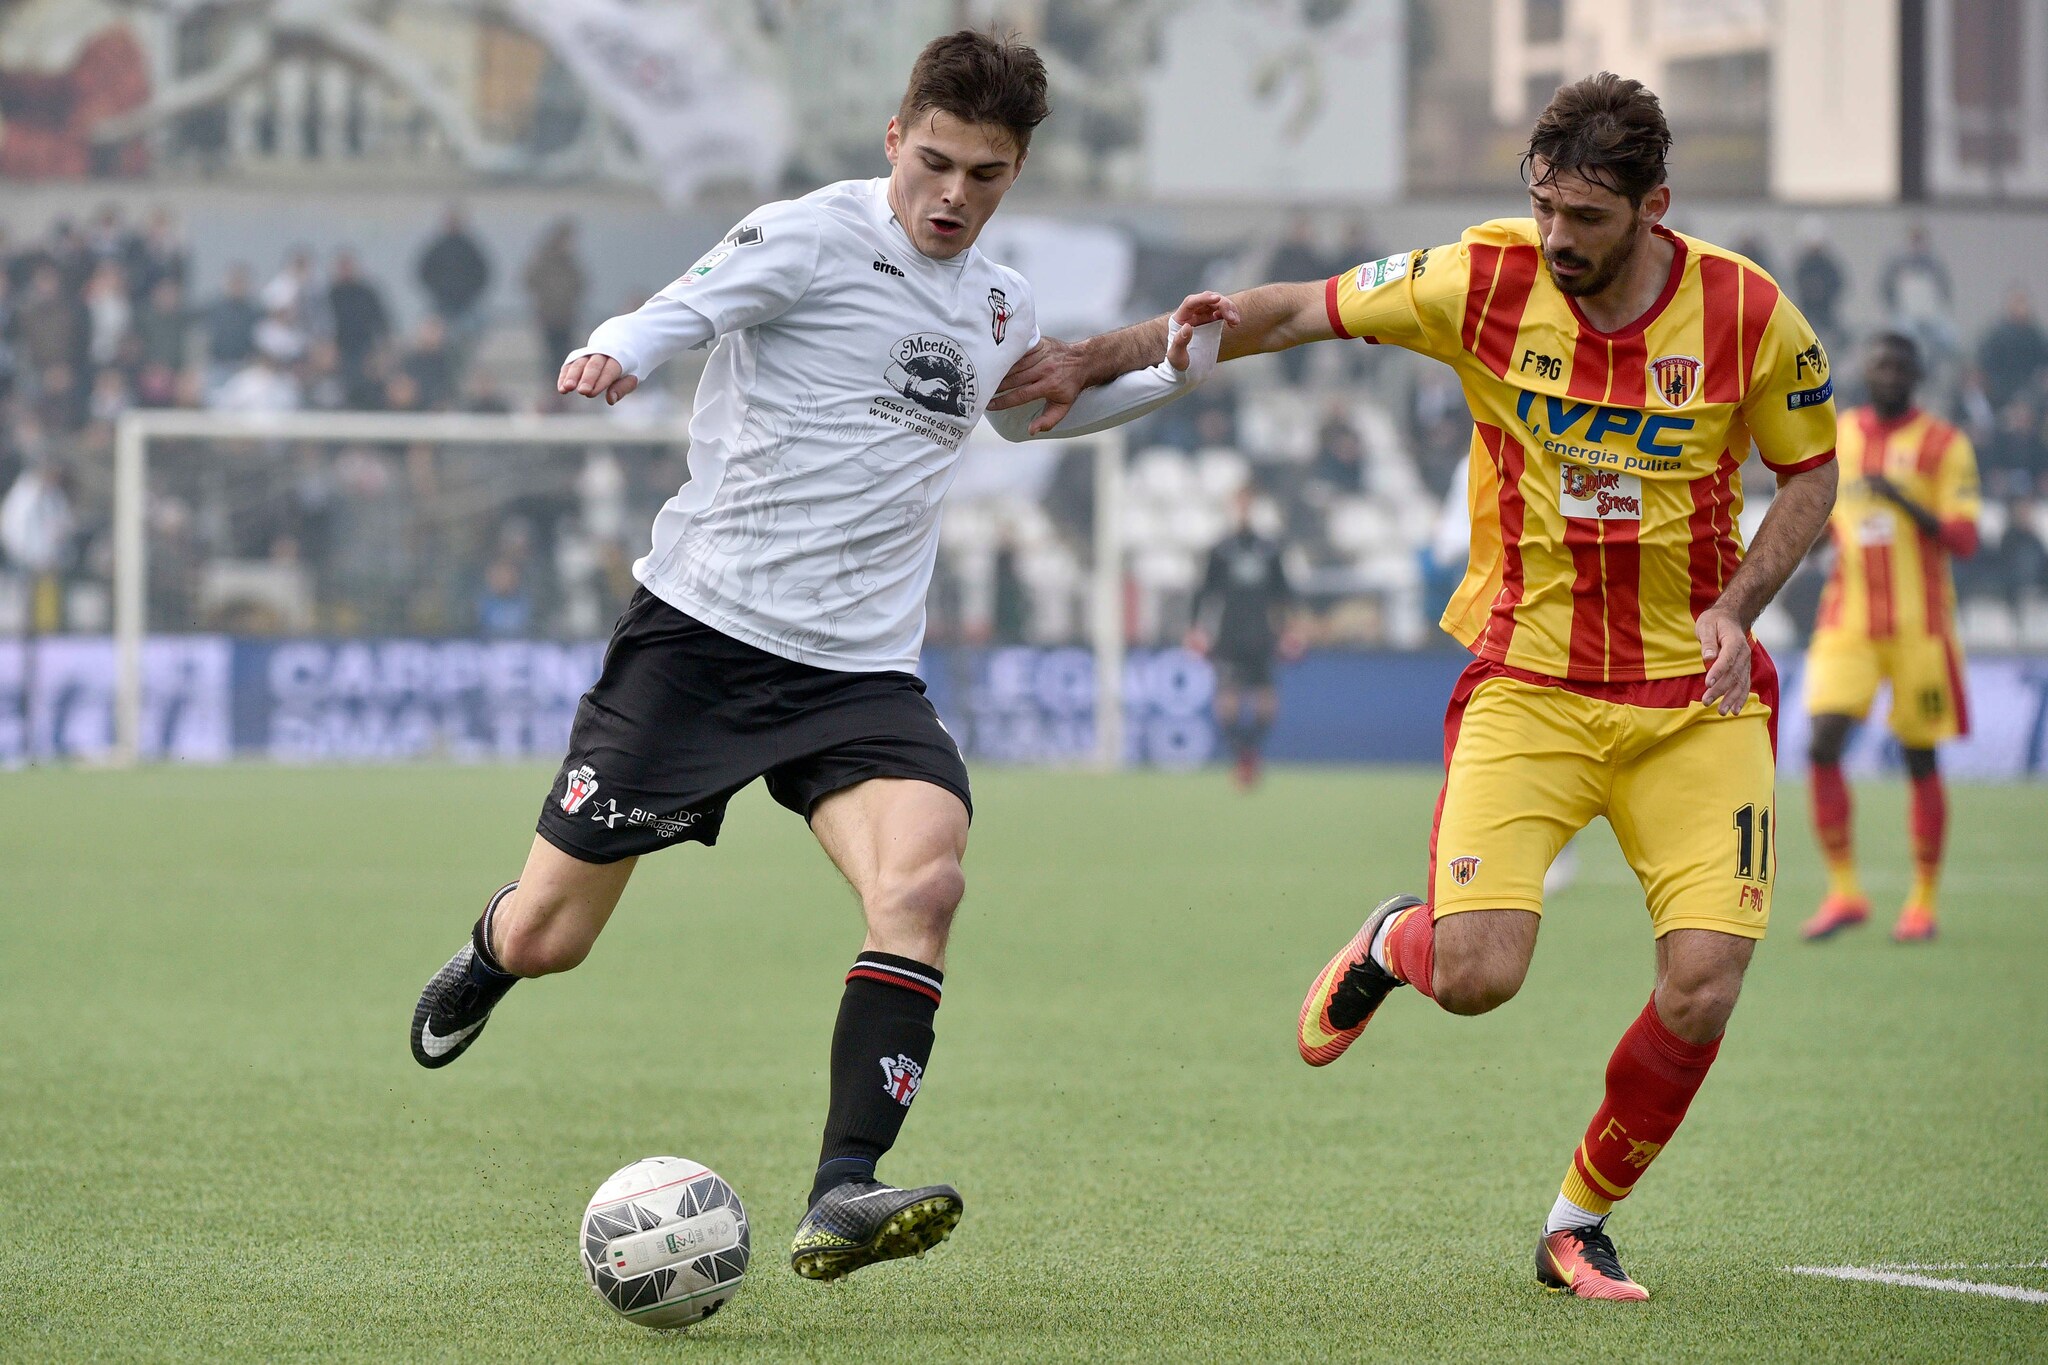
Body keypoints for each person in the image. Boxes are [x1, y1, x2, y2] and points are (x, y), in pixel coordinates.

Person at [406, 29, 1228, 1286]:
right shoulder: (807, 235)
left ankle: (843, 1187)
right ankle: (490, 948)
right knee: (550, 938)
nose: (952, 196)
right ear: (894, 138)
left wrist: (1177, 369)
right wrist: (622, 346)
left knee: (925, 886)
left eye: (985, 175)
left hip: (858, 676)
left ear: (1013, 174)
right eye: (934, 162)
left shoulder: (997, 302)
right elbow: (686, 304)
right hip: (699, 643)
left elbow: (1033, 416)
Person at [996, 72, 1838, 1300]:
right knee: (1477, 977)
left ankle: (1576, 1223)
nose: (1556, 237)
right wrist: (1097, 354)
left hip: (1692, 704)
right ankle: (1399, 941)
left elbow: (1808, 471)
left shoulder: (1749, 314)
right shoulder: (1483, 278)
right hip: (1529, 686)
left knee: (1703, 985)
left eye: (1585, 218)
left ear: (1653, 207)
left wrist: (1737, 607)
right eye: (1543, 206)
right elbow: (1291, 310)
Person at [1799, 334, 1979, 944]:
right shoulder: (1841, 435)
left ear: (1917, 375)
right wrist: (1806, 542)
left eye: (1902, 366)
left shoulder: (1944, 445)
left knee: (1919, 756)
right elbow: (1829, 516)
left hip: (1919, 628)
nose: (1890, 374)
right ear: (1866, 371)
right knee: (1821, 742)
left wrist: (1903, 499)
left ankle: (1922, 901)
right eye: (1881, 364)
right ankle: (1844, 891)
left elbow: (1965, 539)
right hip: (1847, 621)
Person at [1188, 487, 1297, 788]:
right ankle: (1242, 756)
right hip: (1229, 634)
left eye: (1248, 505)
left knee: (1266, 702)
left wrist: (1288, 629)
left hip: (1262, 633)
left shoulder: (1270, 549)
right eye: (1239, 506)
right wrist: (1196, 628)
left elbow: (1282, 593)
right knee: (1228, 700)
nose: (1244, 511)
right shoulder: (1220, 550)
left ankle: (1250, 752)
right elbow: (1205, 591)